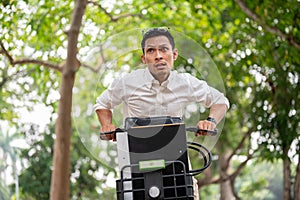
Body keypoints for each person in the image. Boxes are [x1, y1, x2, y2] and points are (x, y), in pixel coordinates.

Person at [94, 28, 229, 199]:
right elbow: (102, 103)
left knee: (186, 194)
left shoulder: (185, 82)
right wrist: (106, 124)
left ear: (174, 54)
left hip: (176, 165)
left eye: (164, 49)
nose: (158, 55)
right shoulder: (127, 82)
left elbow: (220, 101)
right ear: (144, 59)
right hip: (135, 166)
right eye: (151, 50)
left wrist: (210, 121)